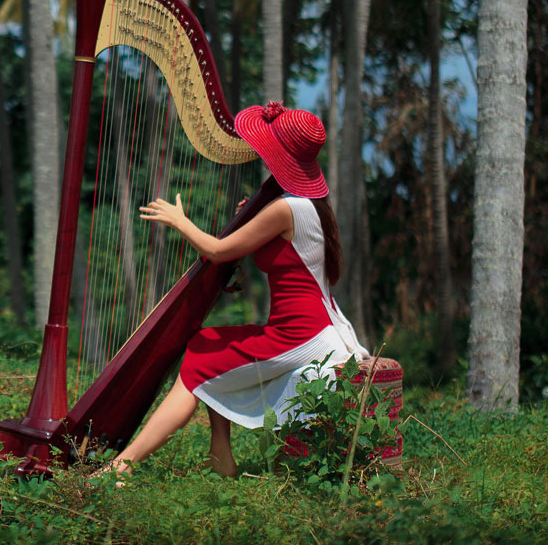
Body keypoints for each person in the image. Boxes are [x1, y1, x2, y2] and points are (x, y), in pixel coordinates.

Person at [96, 100, 368, 480]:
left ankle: (121, 466)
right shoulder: (309, 204)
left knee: (196, 367)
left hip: (300, 335)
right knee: (208, 342)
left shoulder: (286, 208)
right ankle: (219, 455)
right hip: (314, 325)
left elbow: (217, 251)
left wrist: (180, 221)